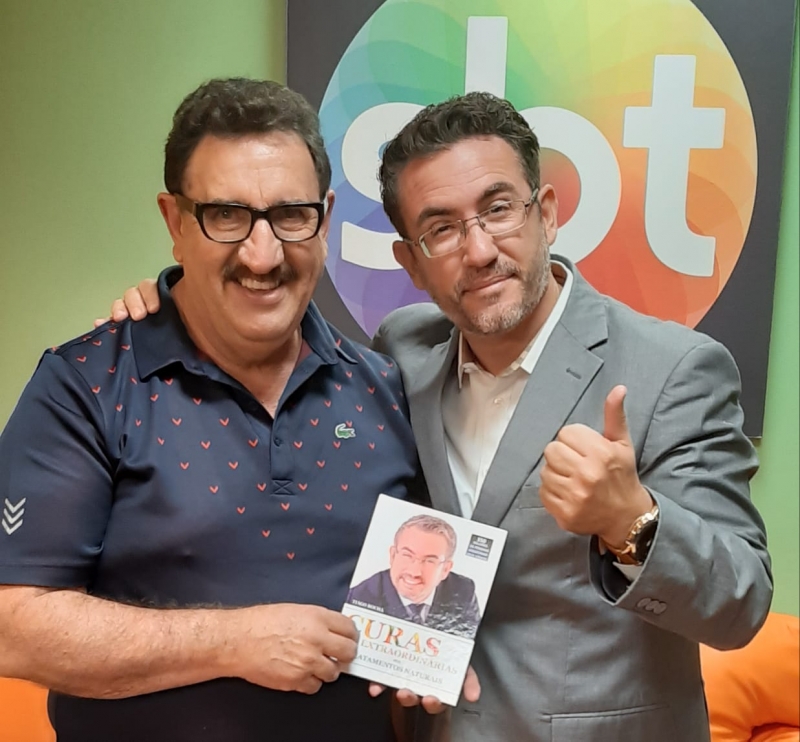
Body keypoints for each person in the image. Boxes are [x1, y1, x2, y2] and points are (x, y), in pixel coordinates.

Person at [105, 91, 774, 742]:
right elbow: (270, 324)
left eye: (498, 210)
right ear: (411, 263)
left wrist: (632, 523)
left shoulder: (673, 368)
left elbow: (741, 603)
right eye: (441, 230)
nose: (478, 251)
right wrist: (173, 307)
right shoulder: (403, 355)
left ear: (546, 214)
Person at [0, 78, 429, 742]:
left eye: (291, 215)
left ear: (325, 218)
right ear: (175, 223)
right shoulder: (86, 385)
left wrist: (430, 673)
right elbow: (13, 626)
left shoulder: (386, 387)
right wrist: (233, 642)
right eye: (226, 215)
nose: (263, 255)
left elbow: (422, 599)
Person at [347, 514, 481, 639]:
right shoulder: (361, 596)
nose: (414, 572)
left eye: (430, 561)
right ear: (392, 556)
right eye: (407, 555)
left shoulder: (464, 591)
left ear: (445, 569)